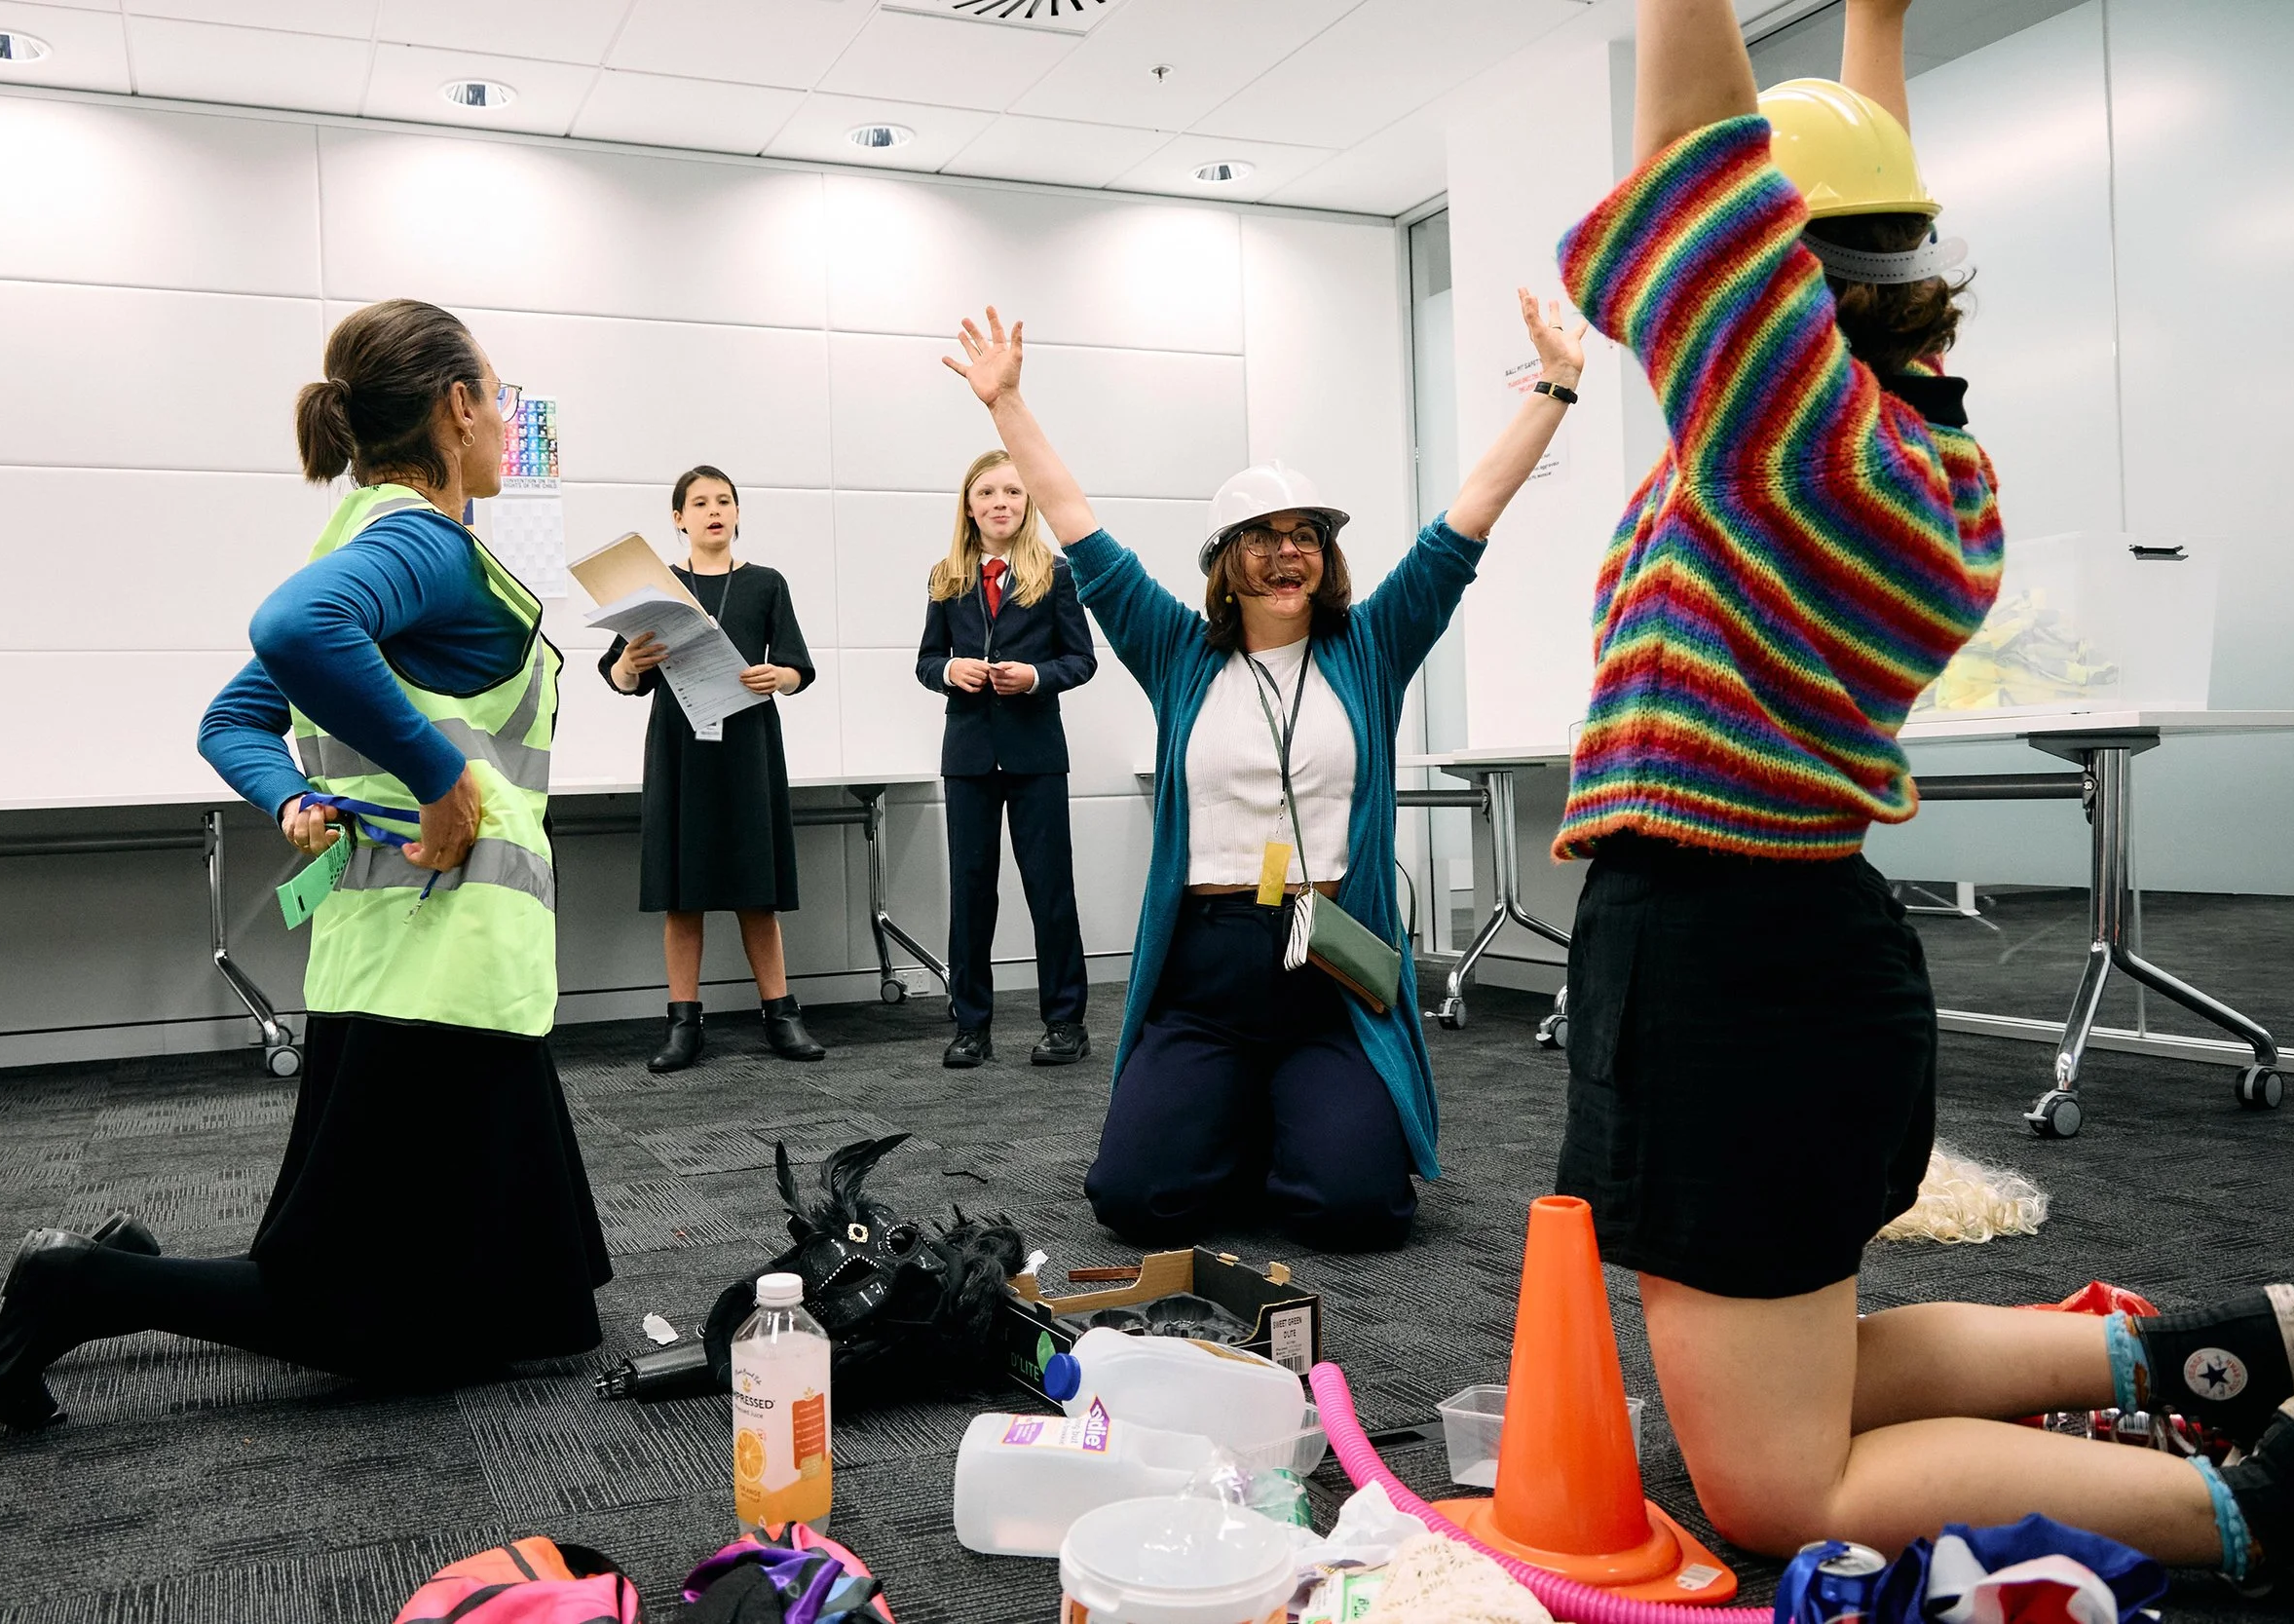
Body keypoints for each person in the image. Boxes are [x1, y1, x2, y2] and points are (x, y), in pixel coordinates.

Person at [1545, 0, 2294, 1583]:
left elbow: (1705, 155)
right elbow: (1850, 221)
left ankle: (2253, 1513)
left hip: (1727, 963)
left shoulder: (1792, 445)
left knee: (1774, 1488)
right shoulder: (1904, 452)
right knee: (1811, 1369)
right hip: (1784, 949)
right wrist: (1876, 27)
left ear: (1788, 294)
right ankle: (2194, 1359)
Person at [0, 298, 611, 1429]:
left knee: (535, 1305)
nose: (506, 420)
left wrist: (296, 795)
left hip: (435, 955)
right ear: (456, 407)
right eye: (497, 397)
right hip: (429, 969)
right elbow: (296, 631)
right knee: (362, 1322)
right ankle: (84, 1282)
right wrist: (440, 781)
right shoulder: (421, 541)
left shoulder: (369, 535)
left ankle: (127, 1258)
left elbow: (232, 719)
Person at [942, 296, 1587, 1251]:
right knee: (1133, 1198)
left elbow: (1466, 521)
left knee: (1358, 1209)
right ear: (1224, 560)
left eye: (1307, 536)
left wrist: (1554, 388)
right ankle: (1237, 1113)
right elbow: (1078, 527)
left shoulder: (1372, 644)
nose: (1289, 551)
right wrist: (1005, 405)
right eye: (1263, 535)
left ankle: (1290, 1113)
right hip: (1207, 975)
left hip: (1329, 973)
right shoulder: (1175, 650)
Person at [602, 467, 826, 1069]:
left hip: (748, 744)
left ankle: (781, 1015)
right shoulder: (656, 587)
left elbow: (797, 667)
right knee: (683, 893)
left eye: (724, 501)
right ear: (679, 519)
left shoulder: (766, 583)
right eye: (699, 503)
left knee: (757, 889)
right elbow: (621, 677)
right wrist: (629, 664)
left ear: (737, 512)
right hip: (680, 746)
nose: (714, 511)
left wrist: (780, 676)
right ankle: (683, 1025)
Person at [915, 450, 1099, 1070]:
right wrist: (949, 671)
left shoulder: (1056, 573)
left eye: (1014, 492)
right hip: (968, 757)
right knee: (971, 892)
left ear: (1029, 503)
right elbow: (926, 661)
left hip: (1035, 754)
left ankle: (1066, 1022)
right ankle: (971, 1026)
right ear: (969, 506)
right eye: (988, 492)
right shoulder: (946, 576)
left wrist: (1035, 677)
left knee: (1050, 889)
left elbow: (1081, 660)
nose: (1001, 502)